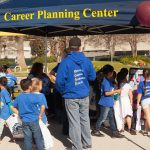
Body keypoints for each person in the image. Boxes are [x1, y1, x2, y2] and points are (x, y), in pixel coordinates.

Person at [56, 37, 96, 150]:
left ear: (69, 48)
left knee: (74, 122)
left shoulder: (65, 62)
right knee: (84, 119)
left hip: (70, 95)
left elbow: (59, 81)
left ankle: (77, 147)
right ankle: (87, 143)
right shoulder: (87, 61)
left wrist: (63, 91)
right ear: (80, 47)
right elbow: (92, 77)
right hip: (83, 94)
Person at [10, 79, 45, 150]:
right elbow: (43, 106)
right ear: (30, 87)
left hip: (24, 120)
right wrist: (40, 115)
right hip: (34, 120)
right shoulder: (34, 96)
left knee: (27, 138)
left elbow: (11, 106)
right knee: (38, 137)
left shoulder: (19, 97)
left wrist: (19, 113)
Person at [91, 65, 124, 138]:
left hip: (109, 102)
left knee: (111, 117)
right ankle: (96, 129)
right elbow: (106, 93)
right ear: (109, 73)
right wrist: (116, 91)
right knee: (102, 117)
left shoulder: (109, 80)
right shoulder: (106, 82)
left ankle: (114, 132)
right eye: (112, 71)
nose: (113, 73)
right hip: (105, 103)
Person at [0, 77, 13, 143]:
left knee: (1, 124)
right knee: (10, 124)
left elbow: (9, 102)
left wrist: (11, 112)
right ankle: (15, 136)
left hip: (5, 112)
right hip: (3, 111)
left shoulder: (4, 92)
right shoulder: (3, 91)